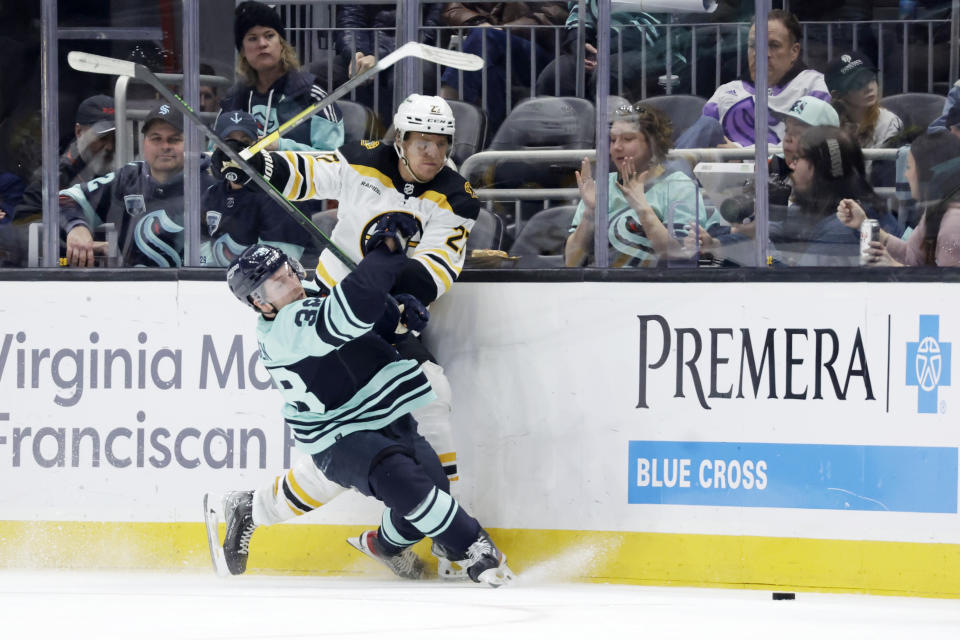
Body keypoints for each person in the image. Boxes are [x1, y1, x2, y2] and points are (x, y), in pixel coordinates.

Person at [208, 94, 478, 577]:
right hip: (327, 320)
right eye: (422, 142)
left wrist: (400, 287)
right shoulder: (364, 160)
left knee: (425, 402)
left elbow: (437, 268)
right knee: (356, 442)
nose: (432, 153)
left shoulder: (456, 197)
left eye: (441, 143)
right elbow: (309, 173)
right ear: (401, 140)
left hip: (379, 323)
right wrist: (252, 164)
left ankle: (255, 508)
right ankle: (438, 537)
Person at [215, 239, 514, 586]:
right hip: (338, 433)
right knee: (401, 480)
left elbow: (365, 322)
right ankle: (473, 545)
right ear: (259, 301)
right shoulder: (285, 327)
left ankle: (383, 547)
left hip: (383, 413)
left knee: (433, 488)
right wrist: (384, 255)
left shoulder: (309, 292)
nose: (293, 282)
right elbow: (345, 316)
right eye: (279, 282)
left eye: (289, 272)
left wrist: (396, 316)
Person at [58, 102, 215, 267]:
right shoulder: (127, 178)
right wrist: (77, 228)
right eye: (156, 139)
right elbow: (64, 199)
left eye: (174, 139)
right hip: (131, 289)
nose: (165, 146)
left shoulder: (213, 186)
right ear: (144, 142)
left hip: (195, 289)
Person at [564, 102, 714, 268]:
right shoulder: (599, 187)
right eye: (613, 140)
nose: (617, 147)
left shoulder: (679, 186)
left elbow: (680, 257)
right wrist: (590, 213)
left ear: (653, 144)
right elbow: (571, 262)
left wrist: (642, 207)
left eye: (628, 139)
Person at [676, 10, 830, 149]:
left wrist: (739, 154)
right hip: (720, 175)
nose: (761, 53)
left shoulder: (813, 85)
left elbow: (809, 147)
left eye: (774, 45)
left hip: (779, 175)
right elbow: (699, 141)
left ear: (794, 51)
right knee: (707, 125)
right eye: (753, 45)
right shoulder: (726, 91)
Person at [220, 1, 344, 151]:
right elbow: (215, 153)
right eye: (252, 38)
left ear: (282, 43)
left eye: (269, 35)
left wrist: (281, 147)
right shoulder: (233, 98)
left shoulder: (312, 96)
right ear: (243, 51)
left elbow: (334, 160)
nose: (262, 44)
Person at [774, 125, 898, 267]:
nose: (792, 167)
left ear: (819, 168)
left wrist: (765, 254)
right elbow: (784, 223)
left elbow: (800, 281)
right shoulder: (829, 204)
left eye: (797, 159)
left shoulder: (843, 227)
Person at [201, 110, 312, 267]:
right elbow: (198, 254)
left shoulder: (280, 196)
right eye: (228, 142)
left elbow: (277, 267)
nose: (236, 151)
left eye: (244, 142)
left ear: (258, 146)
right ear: (215, 147)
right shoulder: (212, 194)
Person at [439, 2, 568, 133]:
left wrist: (504, 29)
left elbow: (554, 14)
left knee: (484, 36)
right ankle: (489, 140)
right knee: (491, 74)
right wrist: (478, 21)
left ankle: (444, 111)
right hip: (492, 49)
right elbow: (453, 6)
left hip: (541, 51)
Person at [837, 130, 960, 266]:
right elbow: (911, 255)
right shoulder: (937, 210)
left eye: (908, 167)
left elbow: (947, 284)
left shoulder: (953, 224)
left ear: (928, 174)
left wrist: (894, 267)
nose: (906, 175)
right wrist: (863, 223)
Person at [534, 2, 683, 105]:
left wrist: (602, 51)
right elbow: (578, 15)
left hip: (653, 49)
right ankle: (568, 141)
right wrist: (580, 45)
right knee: (557, 73)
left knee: (608, 73)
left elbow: (651, 27)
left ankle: (612, 138)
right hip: (601, 48)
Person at [334, 3, 444, 126]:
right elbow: (350, 21)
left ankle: (401, 139)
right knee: (316, 74)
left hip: (410, 53)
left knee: (416, 75)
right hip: (365, 53)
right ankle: (326, 139)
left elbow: (428, 32)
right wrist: (355, 53)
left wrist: (378, 57)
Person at [14, 94, 116, 225]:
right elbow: (23, 226)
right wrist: (73, 229)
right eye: (102, 138)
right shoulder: (51, 180)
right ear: (79, 132)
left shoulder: (130, 173)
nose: (110, 146)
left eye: (116, 138)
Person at [825, 52, 902, 151]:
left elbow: (885, 166)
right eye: (858, 85)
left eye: (871, 79)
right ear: (837, 94)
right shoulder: (826, 123)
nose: (869, 88)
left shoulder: (888, 123)